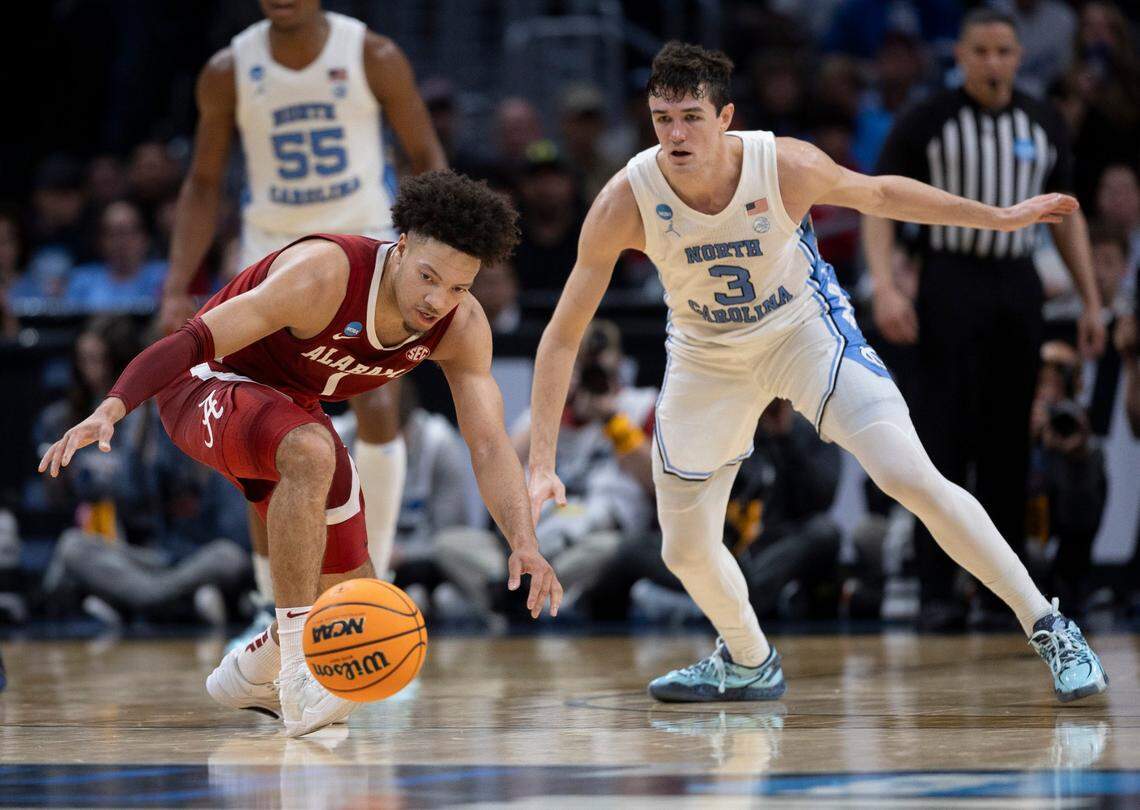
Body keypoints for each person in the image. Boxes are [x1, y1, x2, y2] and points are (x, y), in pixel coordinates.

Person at [527, 41, 1107, 704]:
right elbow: (562, 336)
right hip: (705, 354)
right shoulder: (624, 199)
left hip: (802, 330)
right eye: (662, 118)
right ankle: (747, 659)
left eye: (691, 116)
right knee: (683, 550)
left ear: (726, 117)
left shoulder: (784, 164)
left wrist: (996, 217)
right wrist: (542, 459)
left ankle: (1050, 624)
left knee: (909, 476)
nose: (676, 134)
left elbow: (881, 194)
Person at [39, 171, 562, 737]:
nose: (438, 300)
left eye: (458, 288)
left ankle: (249, 673)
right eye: (428, 278)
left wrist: (524, 542)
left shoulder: (460, 328)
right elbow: (193, 339)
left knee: (359, 603)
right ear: (402, 246)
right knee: (314, 452)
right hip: (203, 384)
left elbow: (487, 444)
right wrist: (114, 405)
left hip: (288, 411)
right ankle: (294, 670)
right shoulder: (325, 274)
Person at [159, 0, 448, 621]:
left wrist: (442, 248)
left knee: (377, 399)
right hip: (275, 258)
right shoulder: (228, 69)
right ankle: (273, 606)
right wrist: (178, 281)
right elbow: (204, 182)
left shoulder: (373, 55)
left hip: (367, 242)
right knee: (264, 429)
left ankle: (376, 586)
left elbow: (425, 153)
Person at [864, 9, 1104, 631]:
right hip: (949, 280)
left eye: (1003, 51)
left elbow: (1069, 214)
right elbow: (877, 201)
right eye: (980, 51)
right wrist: (887, 287)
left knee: (1007, 445)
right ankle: (937, 591)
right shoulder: (928, 119)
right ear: (960, 56)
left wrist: (1092, 301)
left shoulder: (1043, 119)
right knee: (939, 440)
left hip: (1016, 285)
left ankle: (1008, 598)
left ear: (1019, 55)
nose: (992, 62)